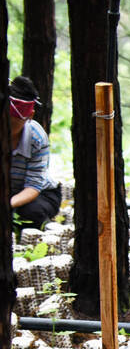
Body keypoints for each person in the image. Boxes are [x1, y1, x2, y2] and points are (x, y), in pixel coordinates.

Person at [7, 76, 61, 232]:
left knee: (31, 213)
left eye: (12, 123)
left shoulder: (37, 138)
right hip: (8, 191)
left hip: (40, 194)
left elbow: (33, 186)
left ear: (29, 117)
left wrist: (7, 204)